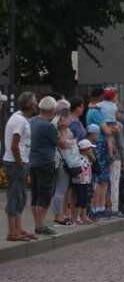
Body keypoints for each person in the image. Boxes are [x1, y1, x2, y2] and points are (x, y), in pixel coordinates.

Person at [29, 96, 66, 236]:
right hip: (45, 162)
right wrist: (63, 128)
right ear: (52, 110)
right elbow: (62, 143)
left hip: (33, 161)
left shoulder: (32, 121)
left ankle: (38, 224)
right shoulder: (48, 125)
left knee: (35, 194)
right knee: (44, 195)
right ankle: (40, 226)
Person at [4, 92, 37, 241]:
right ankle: (12, 231)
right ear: (30, 105)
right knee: (15, 196)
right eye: (35, 102)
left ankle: (18, 228)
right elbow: (14, 146)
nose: (36, 105)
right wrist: (19, 163)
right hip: (16, 163)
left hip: (19, 162)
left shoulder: (21, 118)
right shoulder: (20, 121)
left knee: (21, 197)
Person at [51, 99, 79, 227]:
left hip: (62, 159)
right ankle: (58, 215)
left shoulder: (56, 120)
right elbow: (62, 142)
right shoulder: (60, 122)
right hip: (62, 159)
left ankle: (61, 213)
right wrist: (72, 142)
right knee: (61, 188)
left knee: (62, 188)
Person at [71, 139, 95, 225]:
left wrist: (91, 155)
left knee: (85, 198)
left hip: (86, 181)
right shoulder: (78, 157)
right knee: (80, 198)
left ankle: (84, 216)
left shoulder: (87, 157)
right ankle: (76, 216)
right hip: (79, 181)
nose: (91, 150)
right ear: (85, 149)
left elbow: (93, 161)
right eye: (90, 149)